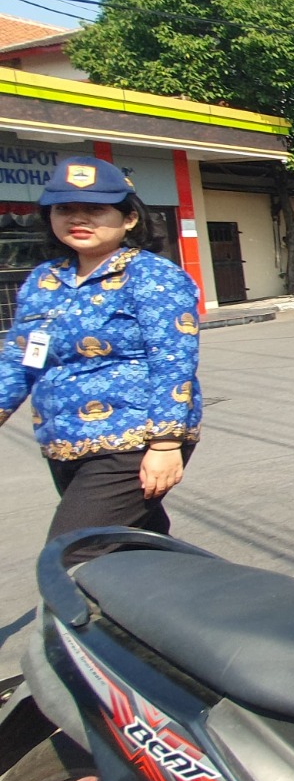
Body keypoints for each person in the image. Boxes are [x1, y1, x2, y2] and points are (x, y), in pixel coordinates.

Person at [0, 156, 201, 561]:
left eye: (94, 209)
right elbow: (21, 358)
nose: (78, 218)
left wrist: (165, 444)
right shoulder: (44, 279)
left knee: (72, 553)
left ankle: (69, 624)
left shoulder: (152, 276)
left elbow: (174, 360)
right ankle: (193, 604)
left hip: (132, 439)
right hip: (62, 440)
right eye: (65, 209)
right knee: (133, 545)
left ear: (129, 218)